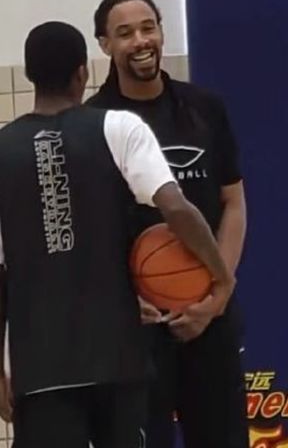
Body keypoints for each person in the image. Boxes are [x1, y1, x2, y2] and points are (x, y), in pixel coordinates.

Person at [0, 22, 235, 448]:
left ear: (29, 76)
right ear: (83, 72)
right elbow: (176, 209)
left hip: (40, 367)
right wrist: (221, 277)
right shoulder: (120, 128)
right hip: (118, 360)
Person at [87, 0, 249, 447]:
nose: (141, 41)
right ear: (104, 45)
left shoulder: (204, 107)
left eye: (148, 28)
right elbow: (89, 229)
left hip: (209, 317)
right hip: (136, 327)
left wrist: (218, 292)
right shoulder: (93, 122)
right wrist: (121, 299)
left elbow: (234, 203)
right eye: (125, 33)